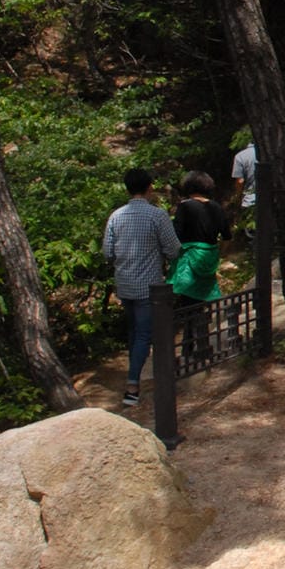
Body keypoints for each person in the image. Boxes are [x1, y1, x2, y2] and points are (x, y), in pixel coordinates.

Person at [102, 167, 180, 407]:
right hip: (150, 287)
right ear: (149, 187)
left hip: (125, 284)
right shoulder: (157, 216)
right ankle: (133, 385)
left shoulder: (116, 216)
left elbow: (107, 252)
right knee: (144, 334)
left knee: (135, 332)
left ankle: (142, 375)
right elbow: (174, 249)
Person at [170, 169, 231, 364]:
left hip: (189, 258)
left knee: (188, 304)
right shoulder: (216, 207)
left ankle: (188, 349)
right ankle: (202, 345)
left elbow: (175, 235)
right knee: (202, 303)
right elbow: (227, 235)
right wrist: (217, 252)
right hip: (209, 257)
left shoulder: (184, 207)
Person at [230, 132, 257, 241]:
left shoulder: (241, 156)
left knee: (252, 233)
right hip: (271, 197)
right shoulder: (270, 152)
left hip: (250, 200)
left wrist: (238, 197)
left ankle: (254, 254)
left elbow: (240, 181)